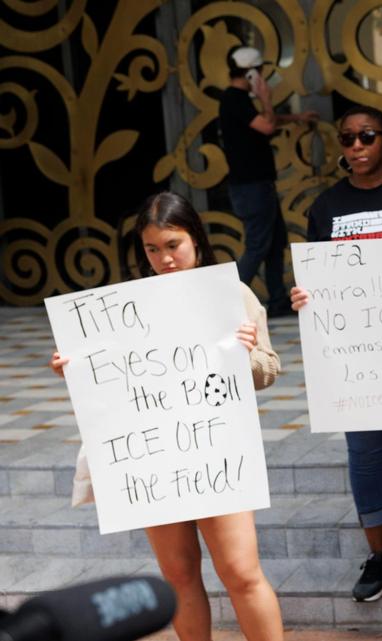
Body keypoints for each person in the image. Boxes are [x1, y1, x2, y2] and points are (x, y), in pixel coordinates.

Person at [50, 192, 284, 641]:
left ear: (195, 238)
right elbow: (113, 383)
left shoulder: (230, 294)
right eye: (152, 249)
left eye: (173, 244)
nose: (164, 258)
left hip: (215, 449)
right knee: (178, 576)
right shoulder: (124, 308)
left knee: (241, 571)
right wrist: (74, 369)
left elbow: (268, 370)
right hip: (154, 454)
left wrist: (246, 353)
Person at [289, 105, 382, 600]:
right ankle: (379, 557)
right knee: (364, 458)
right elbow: (316, 280)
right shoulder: (326, 206)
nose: (357, 146)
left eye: (367, 136)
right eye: (348, 138)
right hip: (357, 359)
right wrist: (303, 297)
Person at [218, 45, 316, 317]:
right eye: (259, 72)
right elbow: (266, 125)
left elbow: (258, 122)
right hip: (251, 187)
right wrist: (266, 98)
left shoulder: (237, 100)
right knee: (259, 245)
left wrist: (296, 117)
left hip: (258, 185)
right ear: (251, 74)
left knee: (274, 243)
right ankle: (226, 304)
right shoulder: (234, 98)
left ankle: (277, 301)